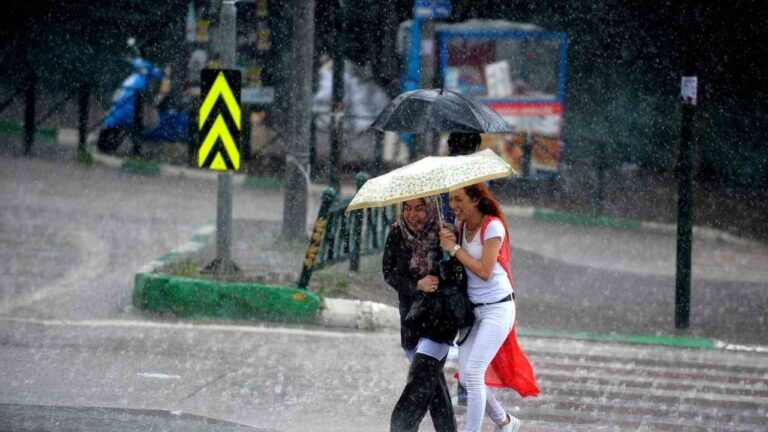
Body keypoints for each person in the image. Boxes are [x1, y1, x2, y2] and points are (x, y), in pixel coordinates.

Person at [439, 183, 536, 432]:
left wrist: (455, 248)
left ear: (475, 200)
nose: (453, 206)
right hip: (472, 312)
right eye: (450, 200)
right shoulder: (461, 227)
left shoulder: (493, 225)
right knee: (468, 375)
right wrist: (449, 244)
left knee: (473, 374)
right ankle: (505, 422)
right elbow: (459, 265)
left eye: (458, 199)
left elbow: (484, 271)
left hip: (497, 308)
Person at [383, 196, 457, 432]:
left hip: (440, 320)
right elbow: (389, 273)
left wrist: (451, 250)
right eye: (407, 208)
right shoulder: (397, 232)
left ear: (432, 208)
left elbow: (459, 276)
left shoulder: (446, 234)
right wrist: (417, 285)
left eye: (419, 209)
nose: (412, 215)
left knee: (419, 384)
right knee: (434, 391)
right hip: (411, 320)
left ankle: (401, 428)